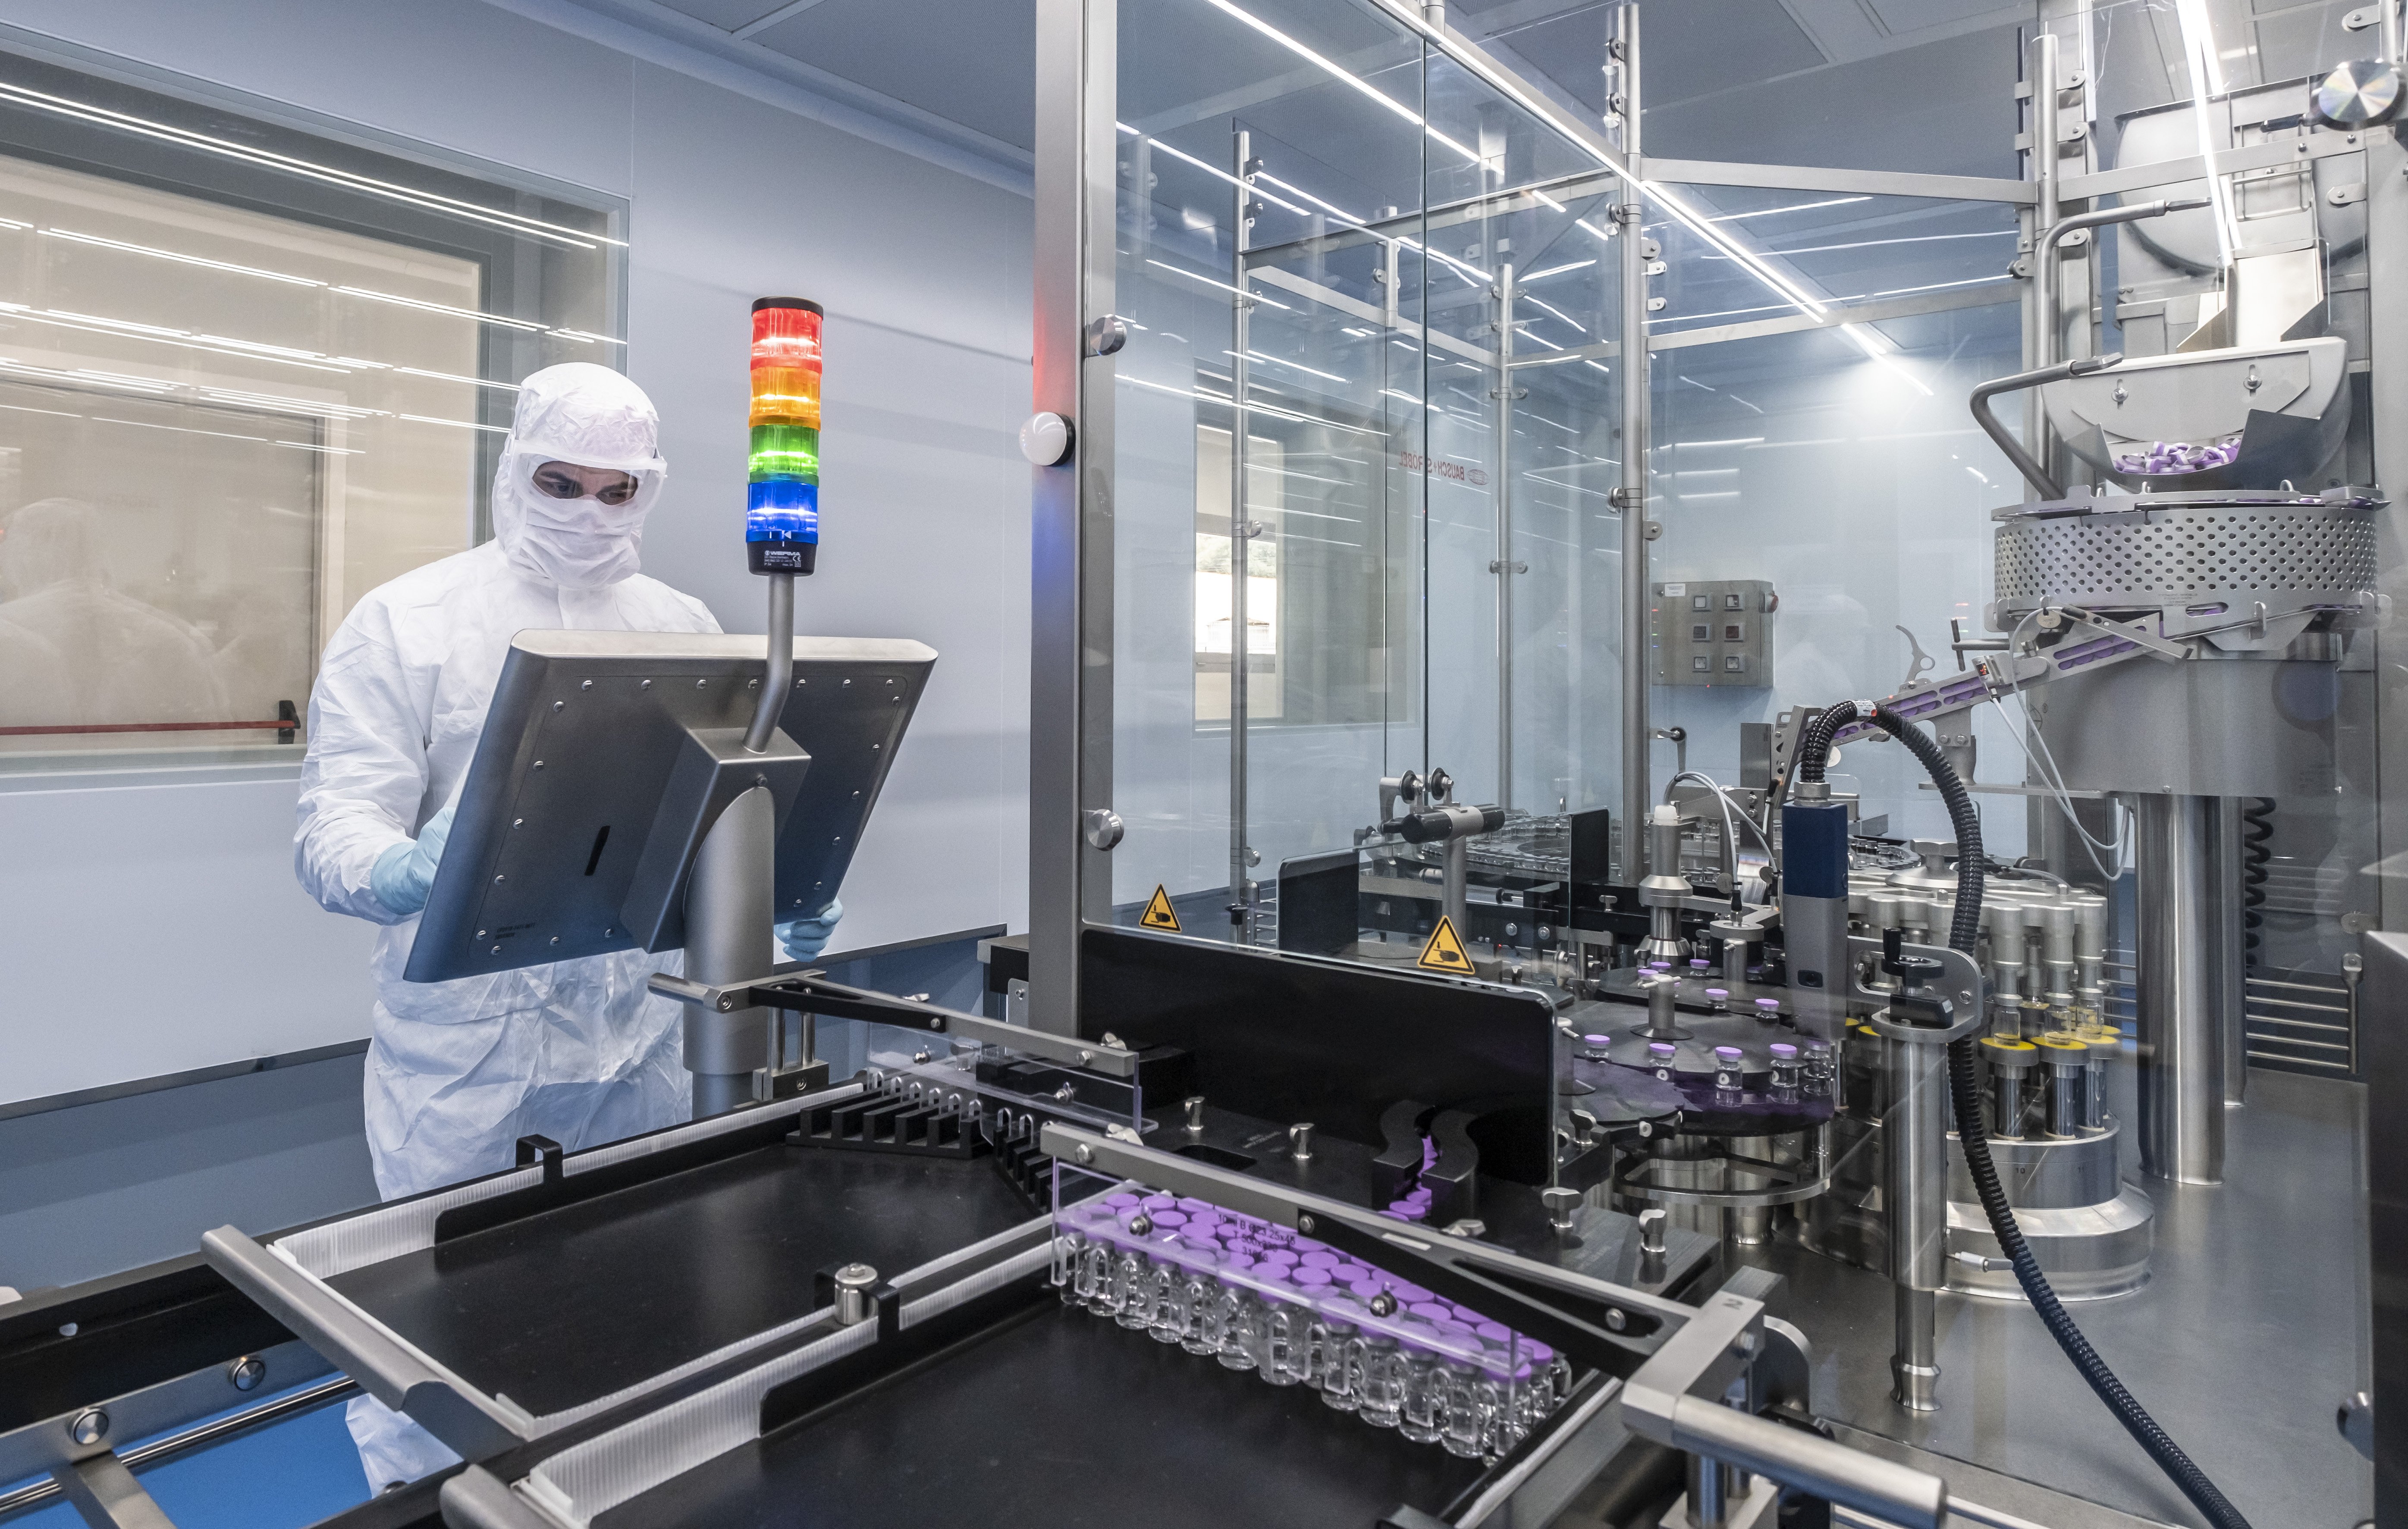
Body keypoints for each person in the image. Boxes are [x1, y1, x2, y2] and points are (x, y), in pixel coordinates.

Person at [293, 363, 841, 1490]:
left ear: (650, 488)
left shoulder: (681, 625)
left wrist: (775, 888)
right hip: (467, 1055)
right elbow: (333, 825)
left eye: (617, 488)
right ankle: (422, 1505)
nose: (589, 510)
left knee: (634, 1297)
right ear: (514, 469)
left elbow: (712, 808)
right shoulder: (409, 620)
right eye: (562, 481)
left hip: (637, 1041)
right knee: (438, 1331)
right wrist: (398, 869)